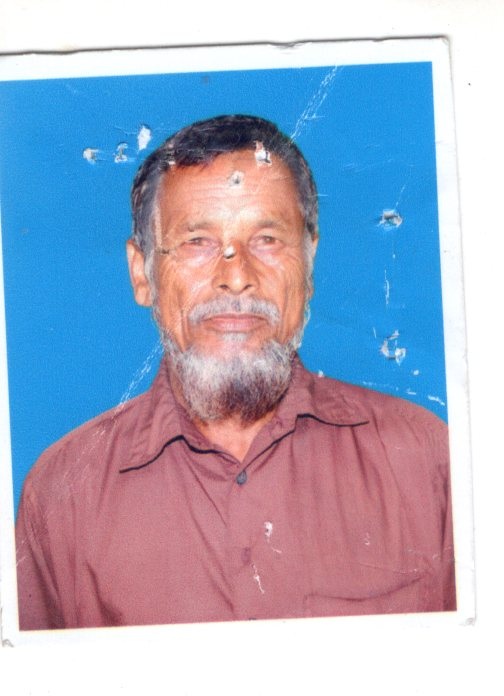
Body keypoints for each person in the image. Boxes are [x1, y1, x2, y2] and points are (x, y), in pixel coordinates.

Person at [15, 114, 456, 630]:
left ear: (308, 262)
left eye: (266, 239)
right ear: (142, 273)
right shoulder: (63, 492)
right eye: (196, 242)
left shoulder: (426, 460)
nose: (237, 276)